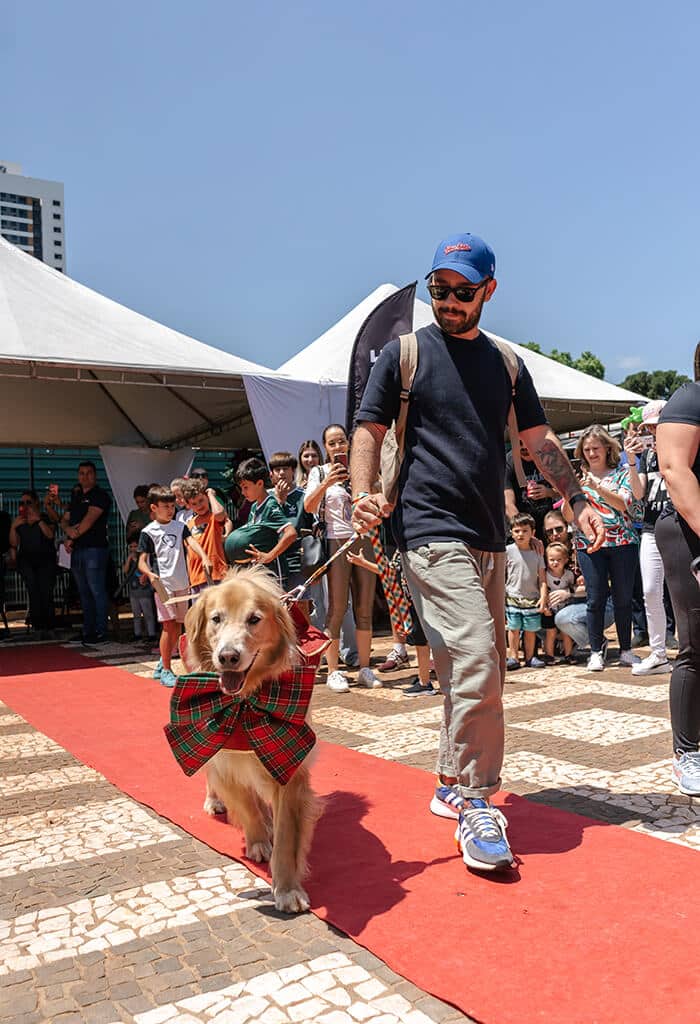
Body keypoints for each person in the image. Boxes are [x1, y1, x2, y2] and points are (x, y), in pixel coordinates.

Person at [351, 231, 603, 872]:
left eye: (463, 291)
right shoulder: (404, 355)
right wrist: (360, 492)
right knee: (479, 661)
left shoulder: (508, 365)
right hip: (428, 530)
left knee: (470, 668)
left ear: (489, 290)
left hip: (491, 533)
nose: (449, 301)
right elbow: (369, 429)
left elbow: (540, 441)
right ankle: (475, 801)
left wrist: (575, 503)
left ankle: (446, 779)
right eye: (439, 289)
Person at [305, 424, 379, 692]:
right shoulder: (319, 471)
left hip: (364, 539)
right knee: (337, 606)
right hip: (336, 540)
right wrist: (327, 483)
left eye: (341, 442)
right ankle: (334, 670)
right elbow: (309, 507)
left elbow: (379, 501)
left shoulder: (362, 471)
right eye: (332, 443)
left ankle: (365, 668)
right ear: (325, 447)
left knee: (364, 606)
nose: (338, 447)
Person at [655, 368, 700, 795]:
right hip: (689, 533)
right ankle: (688, 754)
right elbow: (674, 470)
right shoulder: (690, 397)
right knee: (695, 645)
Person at [565, 425, 640, 672]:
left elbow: (623, 504)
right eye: (586, 449)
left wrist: (597, 487)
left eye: (595, 448)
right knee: (595, 598)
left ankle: (626, 650)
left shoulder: (620, 474)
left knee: (623, 598)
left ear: (607, 448)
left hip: (623, 542)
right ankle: (596, 650)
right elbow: (567, 516)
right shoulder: (578, 479)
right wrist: (569, 493)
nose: (591, 453)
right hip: (589, 545)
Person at [137, 485, 208, 688]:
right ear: (154, 507)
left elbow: (191, 543)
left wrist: (203, 556)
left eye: (172, 506)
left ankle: (162, 660)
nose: (170, 510)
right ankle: (167, 669)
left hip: (182, 583)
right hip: (163, 585)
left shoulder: (180, 526)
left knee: (178, 625)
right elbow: (142, 560)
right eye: (165, 506)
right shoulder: (148, 532)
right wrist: (149, 574)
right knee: (168, 626)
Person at [628, 401, 674, 676]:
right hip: (651, 528)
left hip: (681, 526)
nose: (654, 432)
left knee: (686, 592)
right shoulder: (646, 456)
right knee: (650, 591)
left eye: (658, 426)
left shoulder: (685, 448)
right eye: (650, 428)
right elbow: (637, 494)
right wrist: (632, 461)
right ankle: (658, 653)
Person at [227, 458, 299, 587]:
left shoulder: (270, 505)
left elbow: (291, 533)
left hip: (274, 574)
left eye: (245, 487)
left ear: (259, 483)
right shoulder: (254, 506)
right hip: (260, 573)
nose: (243, 493)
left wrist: (269, 556)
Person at [62, 461, 112, 645]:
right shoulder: (75, 496)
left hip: (95, 549)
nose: (85, 476)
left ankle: (101, 631)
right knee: (83, 592)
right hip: (77, 550)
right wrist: (69, 533)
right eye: (81, 473)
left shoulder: (100, 496)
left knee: (97, 590)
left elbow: (88, 522)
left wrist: (72, 535)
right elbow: (64, 520)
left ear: (95, 475)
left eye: (89, 473)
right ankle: (87, 630)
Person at [9, 490, 57, 639]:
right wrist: (13, 527)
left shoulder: (43, 517)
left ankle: (49, 626)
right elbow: (13, 543)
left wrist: (38, 520)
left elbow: (50, 535)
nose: (25, 506)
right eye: (22, 503)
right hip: (27, 560)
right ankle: (38, 626)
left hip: (45, 559)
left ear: (36, 503)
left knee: (46, 591)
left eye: (28, 502)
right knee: (33, 591)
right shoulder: (19, 521)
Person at [505, 513, 547, 670]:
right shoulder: (508, 551)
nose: (520, 534)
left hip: (532, 598)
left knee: (530, 630)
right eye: (516, 531)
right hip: (512, 597)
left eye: (524, 530)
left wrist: (543, 597)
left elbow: (542, 577)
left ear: (533, 533)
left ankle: (530, 657)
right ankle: (514, 656)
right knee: (513, 628)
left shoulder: (537, 552)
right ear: (511, 532)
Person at [180, 478, 228, 592]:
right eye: (194, 503)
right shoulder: (188, 525)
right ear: (188, 505)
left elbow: (220, 513)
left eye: (201, 500)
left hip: (216, 573)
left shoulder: (214, 518)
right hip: (196, 578)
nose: (199, 505)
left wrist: (211, 494)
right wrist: (189, 578)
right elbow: (189, 553)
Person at [504, 440, 556, 539]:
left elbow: (563, 492)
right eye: (519, 443)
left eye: (528, 443)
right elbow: (508, 504)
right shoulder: (508, 462)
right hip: (522, 527)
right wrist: (524, 531)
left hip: (547, 526)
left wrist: (548, 492)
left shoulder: (547, 458)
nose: (524, 447)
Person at [542, 541, 576, 662]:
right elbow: (541, 590)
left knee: (565, 632)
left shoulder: (569, 575)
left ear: (566, 560)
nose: (555, 563)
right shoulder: (545, 574)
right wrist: (545, 607)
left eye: (559, 559)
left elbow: (573, 589)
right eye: (552, 559)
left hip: (565, 608)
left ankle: (569, 655)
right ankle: (549, 655)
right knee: (550, 632)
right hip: (550, 608)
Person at [122, 540, 157, 644]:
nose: (133, 549)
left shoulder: (144, 557)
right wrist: (129, 559)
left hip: (144, 590)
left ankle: (151, 634)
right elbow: (125, 570)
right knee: (136, 614)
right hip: (133, 591)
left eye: (135, 546)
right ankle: (137, 633)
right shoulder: (130, 558)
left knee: (148, 614)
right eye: (131, 546)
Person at [189, 467, 233, 536]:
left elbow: (226, 519)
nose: (201, 478)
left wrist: (226, 535)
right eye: (196, 476)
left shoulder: (214, 495)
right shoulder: (187, 495)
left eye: (204, 476)